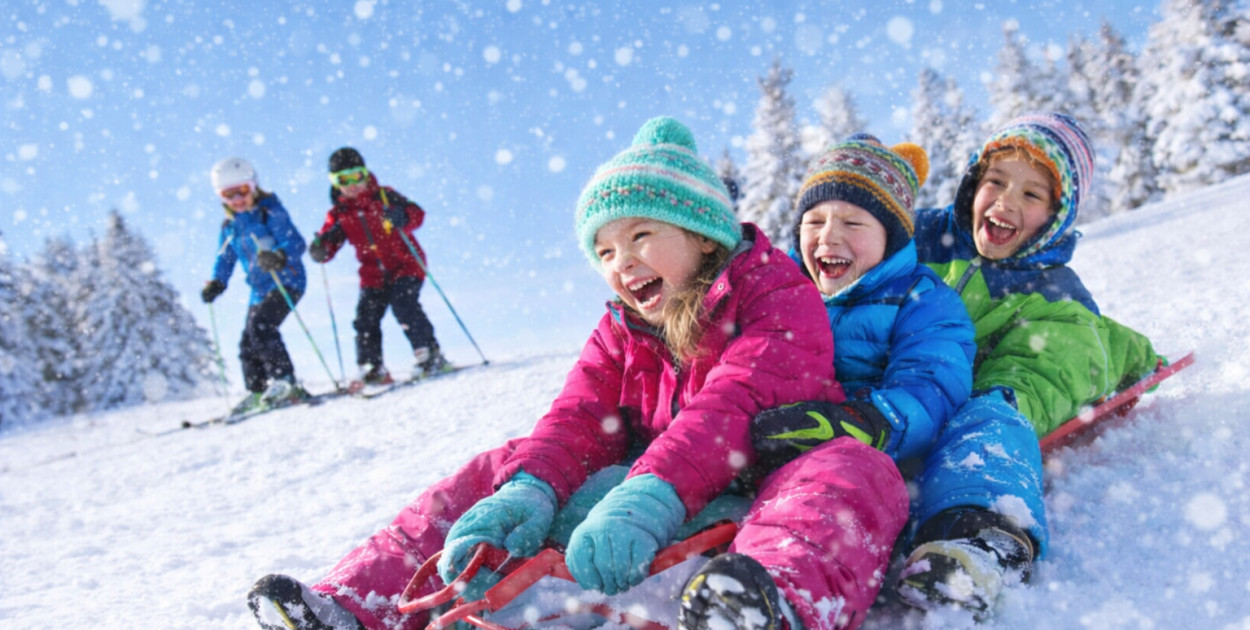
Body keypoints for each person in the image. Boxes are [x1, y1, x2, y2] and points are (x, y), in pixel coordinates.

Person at [247, 117, 909, 630]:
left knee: (853, 471)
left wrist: (653, 496)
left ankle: (768, 604)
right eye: (605, 249)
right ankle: (359, 602)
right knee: (505, 465)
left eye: (642, 235)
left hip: (757, 479)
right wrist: (530, 491)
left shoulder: (771, 288)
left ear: (704, 235)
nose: (622, 262)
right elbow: (579, 415)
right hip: (637, 497)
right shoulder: (622, 325)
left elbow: (739, 399)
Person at [894, 113, 1161, 618]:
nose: (1006, 201)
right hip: (896, 387)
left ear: (1057, 216)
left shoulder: (1054, 290)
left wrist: (1137, 358)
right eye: (995, 182)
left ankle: (977, 536)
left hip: (983, 389)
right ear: (974, 182)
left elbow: (1077, 355)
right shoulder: (919, 239)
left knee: (995, 415)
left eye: (1032, 195)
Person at [309, 147, 448, 391]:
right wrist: (321, 248)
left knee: (404, 305)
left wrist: (402, 217)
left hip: (406, 264)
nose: (353, 185)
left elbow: (417, 214)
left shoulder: (384, 197)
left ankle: (430, 354)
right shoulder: (339, 214)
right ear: (335, 182)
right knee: (365, 317)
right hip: (373, 274)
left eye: (357, 176)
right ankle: (371, 366)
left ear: (365, 174)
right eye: (344, 180)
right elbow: (329, 242)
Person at [201, 157, 310, 415]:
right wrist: (217, 283)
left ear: (254, 187)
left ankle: (285, 381)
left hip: (287, 281)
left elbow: (296, 242)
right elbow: (224, 259)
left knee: (262, 326)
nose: (238, 199)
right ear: (221, 197)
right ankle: (258, 390)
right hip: (258, 290)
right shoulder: (229, 227)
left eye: (242, 191)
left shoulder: (270, 211)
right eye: (229, 195)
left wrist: (279, 256)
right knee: (247, 342)